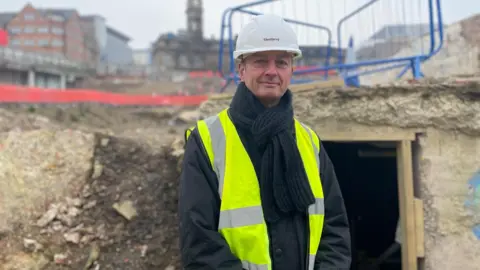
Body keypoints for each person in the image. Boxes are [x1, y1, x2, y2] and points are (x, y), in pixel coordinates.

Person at [178, 13, 351, 270]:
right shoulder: (207, 140)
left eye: (281, 62)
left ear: (292, 69)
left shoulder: (309, 142)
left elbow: (334, 231)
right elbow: (199, 242)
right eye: (260, 61)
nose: (271, 71)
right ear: (241, 68)